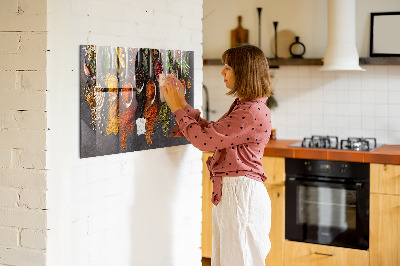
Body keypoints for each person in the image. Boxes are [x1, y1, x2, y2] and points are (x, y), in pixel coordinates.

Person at [161, 44, 273, 266]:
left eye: (228, 67)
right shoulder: (246, 106)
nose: (222, 72)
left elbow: (204, 141)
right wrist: (182, 104)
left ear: (244, 72)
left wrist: (176, 108)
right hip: (236, 193)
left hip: (241, 195)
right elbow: (212, 133)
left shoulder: (250, 111)